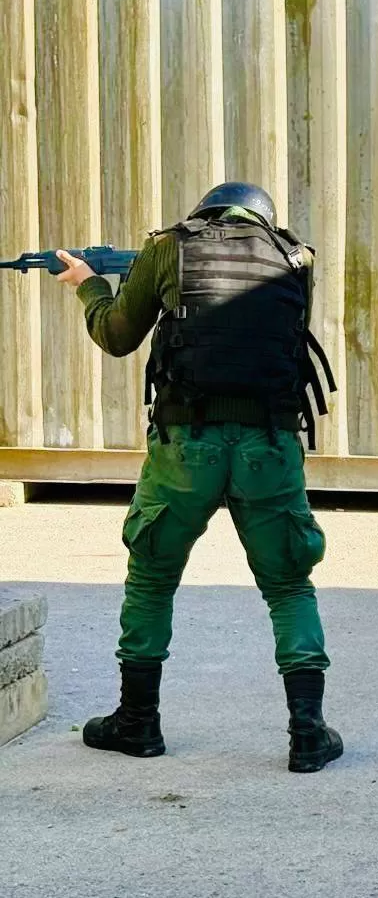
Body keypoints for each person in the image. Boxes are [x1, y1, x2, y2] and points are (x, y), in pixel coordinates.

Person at [53, 181, 343, 772]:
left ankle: (138, 723)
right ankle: (308, 735)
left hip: (186, 445)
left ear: (204, 213)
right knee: (289, 586)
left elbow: (117, 336)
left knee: (152, 578)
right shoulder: (296, 257)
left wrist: (89, 285)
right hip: (269, 443)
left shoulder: (168, 247)